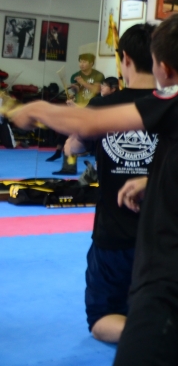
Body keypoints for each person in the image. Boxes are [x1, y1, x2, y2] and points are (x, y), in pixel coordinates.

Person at [11, 14, 178, 365]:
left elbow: (91, 122)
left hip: (169, 280)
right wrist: (157, 183)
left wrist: (36, 108)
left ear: (164, 67)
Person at [63, 23, 158, 343]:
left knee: (101, 320)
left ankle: (154, 335)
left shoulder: (103, 107)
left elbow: (73, 147)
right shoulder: (177, 107)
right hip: (165, 237)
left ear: (125, 59)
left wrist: (79, 127)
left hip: (113, 234)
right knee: (156, 304)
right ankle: (166, 327)